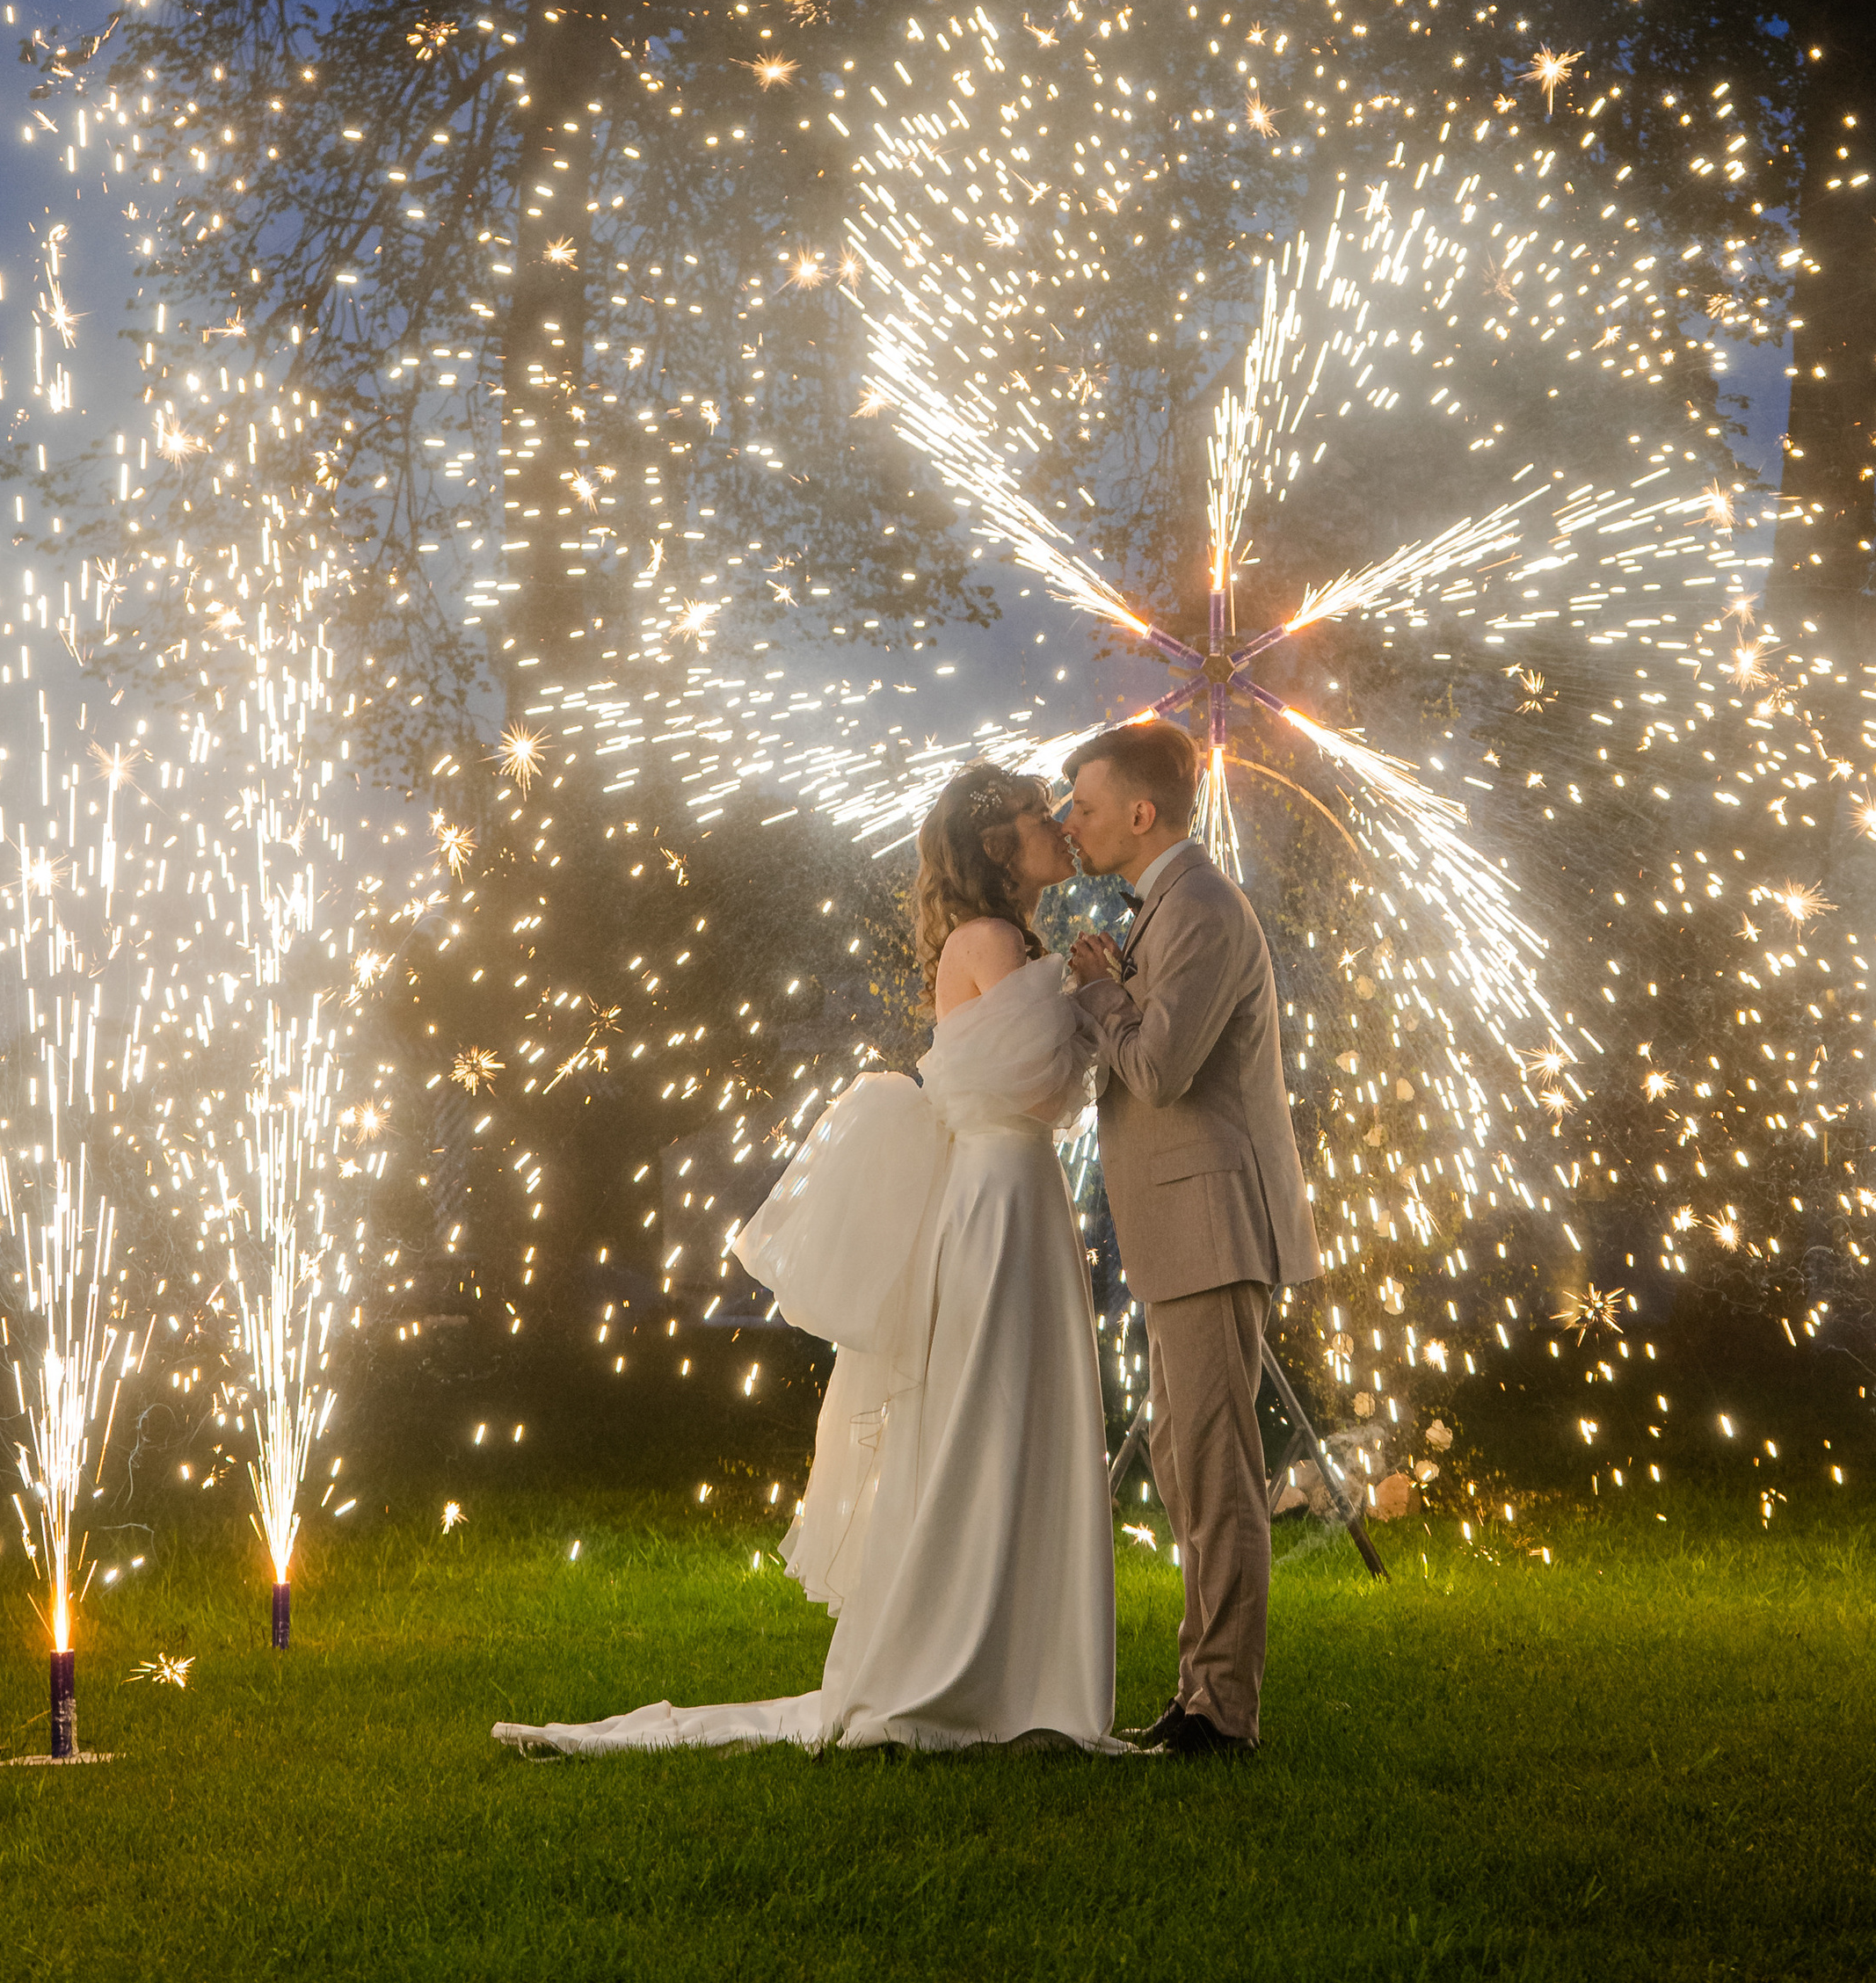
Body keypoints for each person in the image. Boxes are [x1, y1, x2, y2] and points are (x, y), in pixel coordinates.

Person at [491, 766, 1118, 1758]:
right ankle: (970, 1661)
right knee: (989, 1407)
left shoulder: (1016, 945)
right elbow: (1042, 1081)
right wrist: (1100, 997)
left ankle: (1006, 1652)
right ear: (999, 845)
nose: (1057, 827)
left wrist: (1086, 996)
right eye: (1039, 816)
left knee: (1008, 1406)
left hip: (1017, 1195)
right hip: (997, 1200)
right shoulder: (993, 942)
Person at [1063, 720, 1320, 1759]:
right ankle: (1199, 1693)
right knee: (1185, 1462)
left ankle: (1222, 1712)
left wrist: (1096, 991)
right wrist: (1113, 979)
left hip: (1212, 1223)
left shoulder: (1205, 909)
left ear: (1140, 812)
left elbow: (1161, 1067)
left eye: (1084, 805)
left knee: (1214, 1471)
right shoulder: (1169, 906)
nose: (1070, 823)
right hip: (1181, 1224)